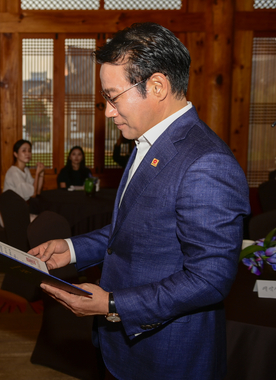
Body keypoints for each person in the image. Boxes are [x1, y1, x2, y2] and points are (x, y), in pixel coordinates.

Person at [29, 23, 250, 380]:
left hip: (169, 355)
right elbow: (132, 229)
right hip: (125, 347)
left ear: (157, 86)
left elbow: (210, 279)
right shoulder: (146, 143)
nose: (108, 112)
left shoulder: (206, 162)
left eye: (113, 97)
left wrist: (112, 303)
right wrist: (71, 249)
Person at [3, 139, 44, 213]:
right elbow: (33, 194)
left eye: (29, 150)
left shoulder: (25, 170)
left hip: (20, 210)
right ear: (15, 154)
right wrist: (37, 173)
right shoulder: (14, 173)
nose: (27, 153)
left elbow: (37, 191)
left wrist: (41, 174)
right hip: (11, 214)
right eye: (24, 151)